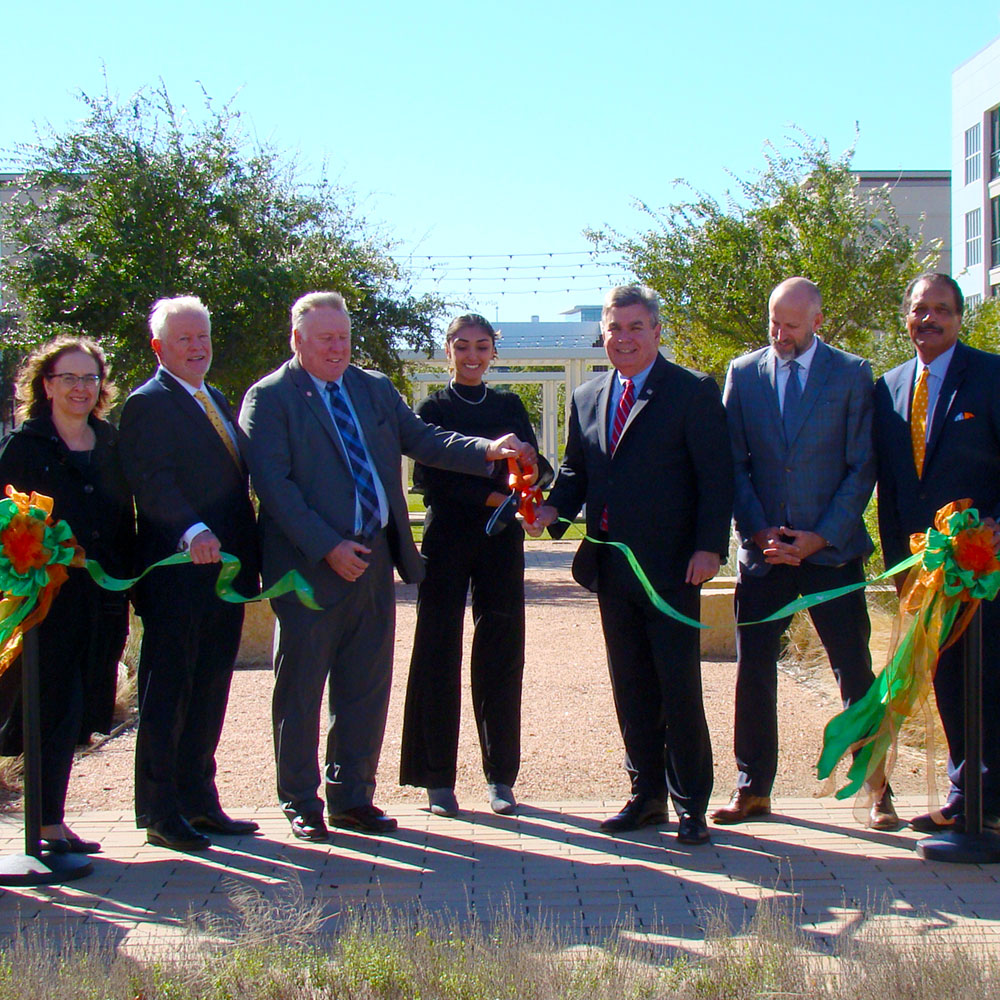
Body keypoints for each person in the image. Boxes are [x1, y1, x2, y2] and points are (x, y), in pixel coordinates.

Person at [238, 292, 535, 843]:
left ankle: (353, 797)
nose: (338, 346)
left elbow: (424, 440)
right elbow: (273, 487)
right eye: (326, 337)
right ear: (297, 339)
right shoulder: (270, 398)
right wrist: (328, 545)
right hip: (310, 566)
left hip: (373, 556)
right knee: (301, 690)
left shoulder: (372, 388)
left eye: (344, 336)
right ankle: (301, 801)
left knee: (365, 687)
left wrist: (487, 451)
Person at [528, 285, 732, 845]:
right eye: (615, 329)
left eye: (635, 327)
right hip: (612, 569)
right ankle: (645, 798)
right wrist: (550, 511)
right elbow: (576, 473)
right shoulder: (588, 395)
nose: (623, 339)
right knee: (632, 686)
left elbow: (717, 478)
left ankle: (691, 802)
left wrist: (710, 547)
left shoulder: (691, 391)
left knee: (678, 686)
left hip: (673, 570)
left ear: (657, 331)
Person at [712, 277, 896, 831]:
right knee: (753, 672)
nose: (780, 334)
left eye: (791, 325)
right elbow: (733, 463)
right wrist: (758, 530)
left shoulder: (852, 373)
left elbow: (861, 465)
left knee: (855, 671)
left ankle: (877, 788)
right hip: (764, 552)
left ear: (817, 321)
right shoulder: (743, 375)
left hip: (831, 554)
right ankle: (752, 789)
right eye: (774, 322)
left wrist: (820, 536)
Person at [118, 295, 261, 852]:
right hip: (179, 575)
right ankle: (159, 812)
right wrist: (191, 530)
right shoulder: (148, 403)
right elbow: (151, 481)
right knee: (168, 693)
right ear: (159, 347)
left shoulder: (215, 396)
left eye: (202, 336)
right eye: (184, 339)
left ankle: (199, 802)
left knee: (209, 690)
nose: (197, 346)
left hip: (224, 578)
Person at [399, 314, 552, 817]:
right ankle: (435, 778)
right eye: (462, 346)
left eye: (481, 347)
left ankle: (500, 777)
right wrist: (494, 496)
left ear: (493, 352)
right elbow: (431, 477)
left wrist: (532, 469)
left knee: (502, 652)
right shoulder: (432, 406)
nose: (472, 356)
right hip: (447, 539)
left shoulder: (508, 404)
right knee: (436, 649)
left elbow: (537, 470)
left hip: (500, 543)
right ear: (447, 351)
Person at [875, 272, 1000, 833]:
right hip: (926, 569)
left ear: (959, 316)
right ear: (906, 316)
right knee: (946, 675)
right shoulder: (890, 387)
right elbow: (894, 484)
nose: (929, 319)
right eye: (919, 310)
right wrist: (898, 566)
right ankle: (964, 794)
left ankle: (990, 804)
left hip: (985, 565)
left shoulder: (992, 376)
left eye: (941, 310)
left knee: (990, 676)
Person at [0, 336, 133, 854]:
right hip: (43, 602)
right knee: (48, 704)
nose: (81, 388)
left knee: (80, 706)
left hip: (101, 597)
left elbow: (125, 516)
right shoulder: (24, 446)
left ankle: (50, 817)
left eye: (90, 378)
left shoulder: (112, 441)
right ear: (46, 384)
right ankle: (45, 825)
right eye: (69, 378)